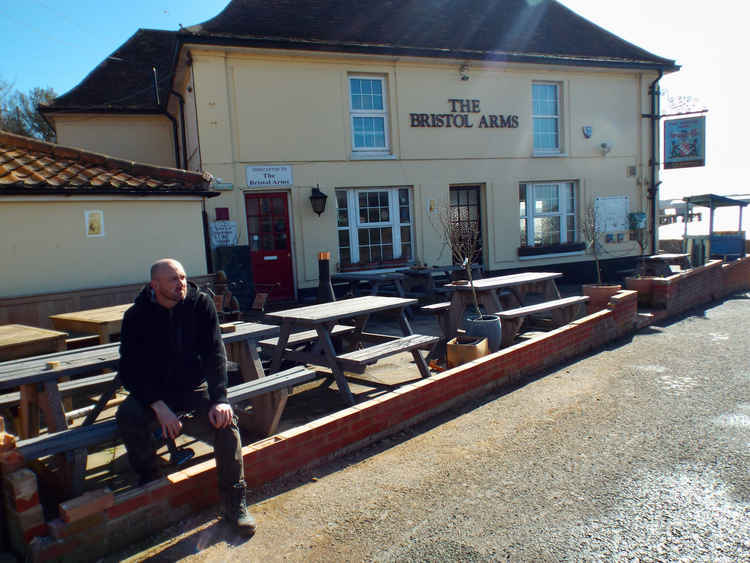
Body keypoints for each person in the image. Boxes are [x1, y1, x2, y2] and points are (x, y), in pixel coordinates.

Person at [116, 258, 255, 535]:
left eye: (182, 277)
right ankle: (151, 481)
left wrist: (220, 398)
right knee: (127, 416)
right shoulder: (136, 315)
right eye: (173, 279)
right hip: (155, 391)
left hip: (193, 387)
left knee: (226, 424)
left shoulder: (200, 304)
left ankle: (234, 503)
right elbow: (129, 369)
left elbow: (215, 353)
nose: (181, 284)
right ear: (154, 285)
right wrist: (156, 404)